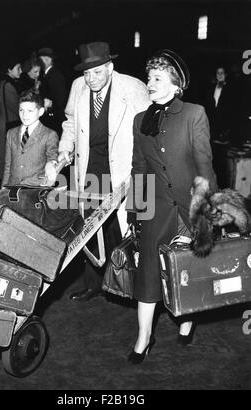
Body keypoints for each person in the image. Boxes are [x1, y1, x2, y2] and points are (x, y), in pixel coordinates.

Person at [126, 50, 217, 364]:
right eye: (149, 78)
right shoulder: (142, 120)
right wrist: (135, 212)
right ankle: (144, 337)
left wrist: (209, 208)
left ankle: (188, 318)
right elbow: (139, 169)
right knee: (149, 273)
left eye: (157, 78)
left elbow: (205, 166)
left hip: (190, 208)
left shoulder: (194, 113)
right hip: (156, 209)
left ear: (176, 85)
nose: (149, 83)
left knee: (189, 270)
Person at [58, 41, 150, 302]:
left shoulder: (133, 88)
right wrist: (65, 149)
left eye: (97, 72)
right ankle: (94, 283)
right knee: (90, 228)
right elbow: (70, 122)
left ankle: (139, 287)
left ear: (110, 67)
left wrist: (143, 174)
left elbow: (148, 132)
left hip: (127, 168)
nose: (91, 79)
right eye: (86, 73)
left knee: (135, 228)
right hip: (91, 167)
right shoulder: (78, 87)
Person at [2, 89, 58, 187]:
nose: (24, 115)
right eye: (21, 110)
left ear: (40, 112)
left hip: (35, 190)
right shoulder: (11, 133)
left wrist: (51, 164)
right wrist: (3, 189)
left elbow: (52, 158)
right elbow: (8, 165)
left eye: (30, 111)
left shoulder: (49, 135)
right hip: (13, 189)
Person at [0, 57, 22, 181]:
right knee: (5, 156)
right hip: (9, 123)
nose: (20, 71)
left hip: (4, 121)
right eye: (18, 68)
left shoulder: (4, 84)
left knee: (1, 155)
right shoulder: (8, 85)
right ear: (9, 69)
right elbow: (16, 107)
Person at [205, 66, 234, 188]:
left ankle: (224, 187)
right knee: (213, 159)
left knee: (224, 162)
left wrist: (227, 129)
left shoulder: (230, 89)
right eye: (218, 73)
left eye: (222, 73)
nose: (220, 75)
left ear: (226, 74)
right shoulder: (212, 87)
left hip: (224, 130)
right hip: (213, 129)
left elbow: (232, 110)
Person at [37, 47, 67, 135]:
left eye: (41, 60)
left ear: (48, 60)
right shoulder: (46, 75)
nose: (40, 62)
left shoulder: (55, 76)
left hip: (54, 120)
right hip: (49, 119)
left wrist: (50, 104)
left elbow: (61, 101)